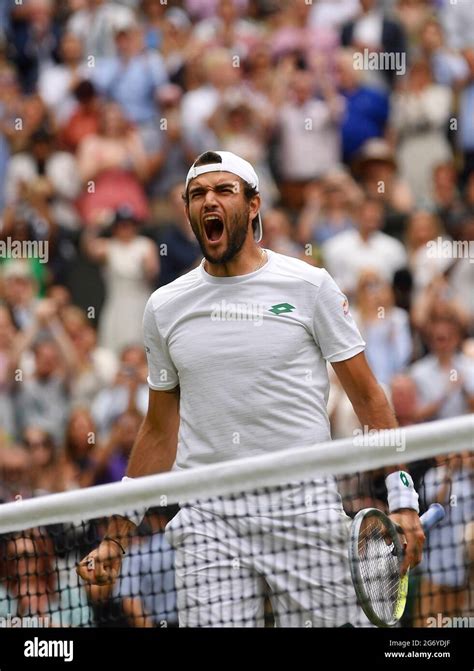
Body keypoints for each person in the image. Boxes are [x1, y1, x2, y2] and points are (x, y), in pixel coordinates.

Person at [77, 150, 425, 628]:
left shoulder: (309, 285)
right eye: (197, 194)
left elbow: (367, 396)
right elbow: (159, 431)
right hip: (208, 517)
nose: (209, 201)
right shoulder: (164, 306)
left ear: (254, 204)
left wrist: (402, 498)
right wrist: (117, 537)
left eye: (223, 190)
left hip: (303, 508)